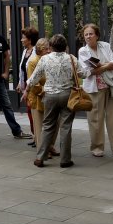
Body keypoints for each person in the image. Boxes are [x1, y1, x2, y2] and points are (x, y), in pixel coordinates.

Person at [27, 34, 79, 168]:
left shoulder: (44, 59)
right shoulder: (71, 58)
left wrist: (27, 86)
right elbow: (83, 73)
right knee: (66, 127)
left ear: (51, 47)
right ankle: (65, 159)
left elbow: (34, 78)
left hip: (49, 95)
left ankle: (40, 157)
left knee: (48, 125)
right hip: (67, 94)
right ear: (65, 46)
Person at [78, 23, 113, 158]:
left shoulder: (105, 45)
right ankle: (97, 148)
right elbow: (88, 72)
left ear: (96, 35)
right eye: (86, 34)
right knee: (95, 120)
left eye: (91, 34)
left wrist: (101, 66)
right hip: (93, 89)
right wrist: (106, 65)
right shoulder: (83, 51)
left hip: (109, 86)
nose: (88, 36)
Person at [21, 37, 47, 153]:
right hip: (37, 97)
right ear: (41, 49)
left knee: (47, 124)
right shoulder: (33, 62)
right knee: (38, 125)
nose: (49, 51)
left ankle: (48, 147)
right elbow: (32, 82)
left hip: (46, 95)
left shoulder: (46, 59)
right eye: (46, 49)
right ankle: (42, 150)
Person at [16, 27, 39, 142]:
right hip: (26, 86)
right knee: (30, 113)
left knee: (34, 112)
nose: (21, 40)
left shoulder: (36, 52)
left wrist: (27, 88)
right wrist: (20, 83)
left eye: (24, 38)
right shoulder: (25, 51)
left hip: (33, 87)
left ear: (30, 40)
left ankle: (38, 137)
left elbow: (35, 72)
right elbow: (22, 69)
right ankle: (35, 136)